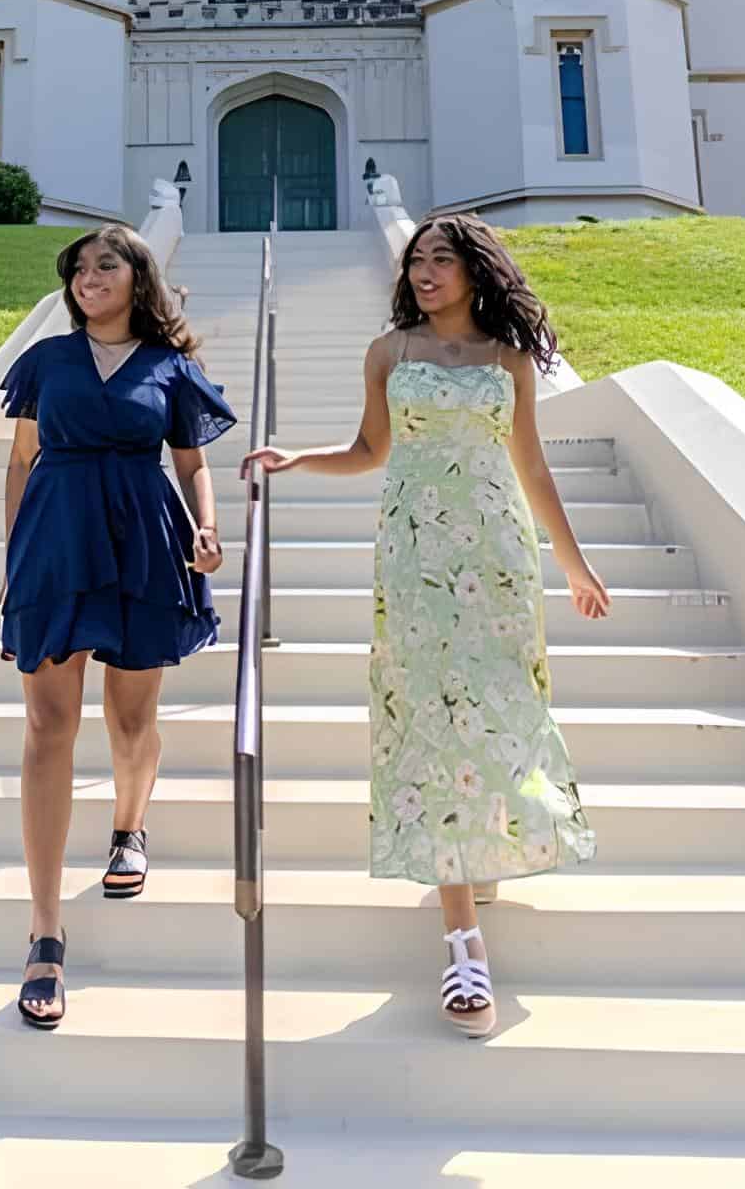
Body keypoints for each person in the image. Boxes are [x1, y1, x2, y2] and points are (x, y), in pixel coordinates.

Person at [242, 212, 610, 1037]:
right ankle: (462, 942)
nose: (425, 272)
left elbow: (531, 465)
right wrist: (298, 458)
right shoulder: (390, 352)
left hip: (498, 555)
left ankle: (481, 845)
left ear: (476, 270)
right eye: (417, 261)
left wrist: (573, 563)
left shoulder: (508, 359)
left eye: (442, 259)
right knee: (433, 724)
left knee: (504, 711)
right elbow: (369, 450)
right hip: (415, 559)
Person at [0, 224, 234, 1028]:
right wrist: (14, 561)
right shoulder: (46, 361)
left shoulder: (171, 368)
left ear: (139, 278)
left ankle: (129, 827)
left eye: (106, 265)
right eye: (78, 269)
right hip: (55, 542)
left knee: (131, 722)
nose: (88, 277)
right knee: (47, 727)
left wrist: (207, 528)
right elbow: (21, 461)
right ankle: (44, 931)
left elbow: (192, 463)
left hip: (143, 540)